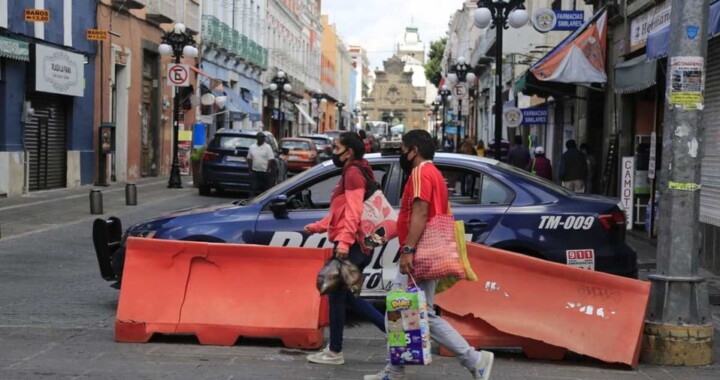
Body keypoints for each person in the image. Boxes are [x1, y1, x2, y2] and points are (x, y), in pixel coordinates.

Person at [365, 129, 494, 380]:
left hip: (420, 251)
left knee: (417, 311)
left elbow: (421, 212)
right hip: (427, 249)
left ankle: (474, 359)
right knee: (407, 309)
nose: (402, 155)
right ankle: (395, 370)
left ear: (414, 151)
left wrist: (408, 250)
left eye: (403, 150)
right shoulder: (434, 173)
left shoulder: (420, 173)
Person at [304, 132, 386, 365]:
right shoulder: (359, 167)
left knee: (336, 296)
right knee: (344, 298)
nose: (333, 151)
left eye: (336, 147)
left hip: (352, 246)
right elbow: (340, 211)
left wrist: (343, 242)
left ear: (348, 152)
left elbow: (353, 211)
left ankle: (335, 351)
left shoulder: (352, 174)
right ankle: (389, 333)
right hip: (356, 244)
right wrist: (319, 227)